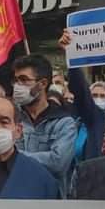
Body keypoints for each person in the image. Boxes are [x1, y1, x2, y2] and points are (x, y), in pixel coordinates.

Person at [11, 55, 78, 193]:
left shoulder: (64, 122)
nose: (17, 86)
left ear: (42, 83)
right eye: (16, 80)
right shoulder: (10, 117)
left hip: (48, 199)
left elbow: (58, 164)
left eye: (24, 80)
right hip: (13, 196)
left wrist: (12, 155)